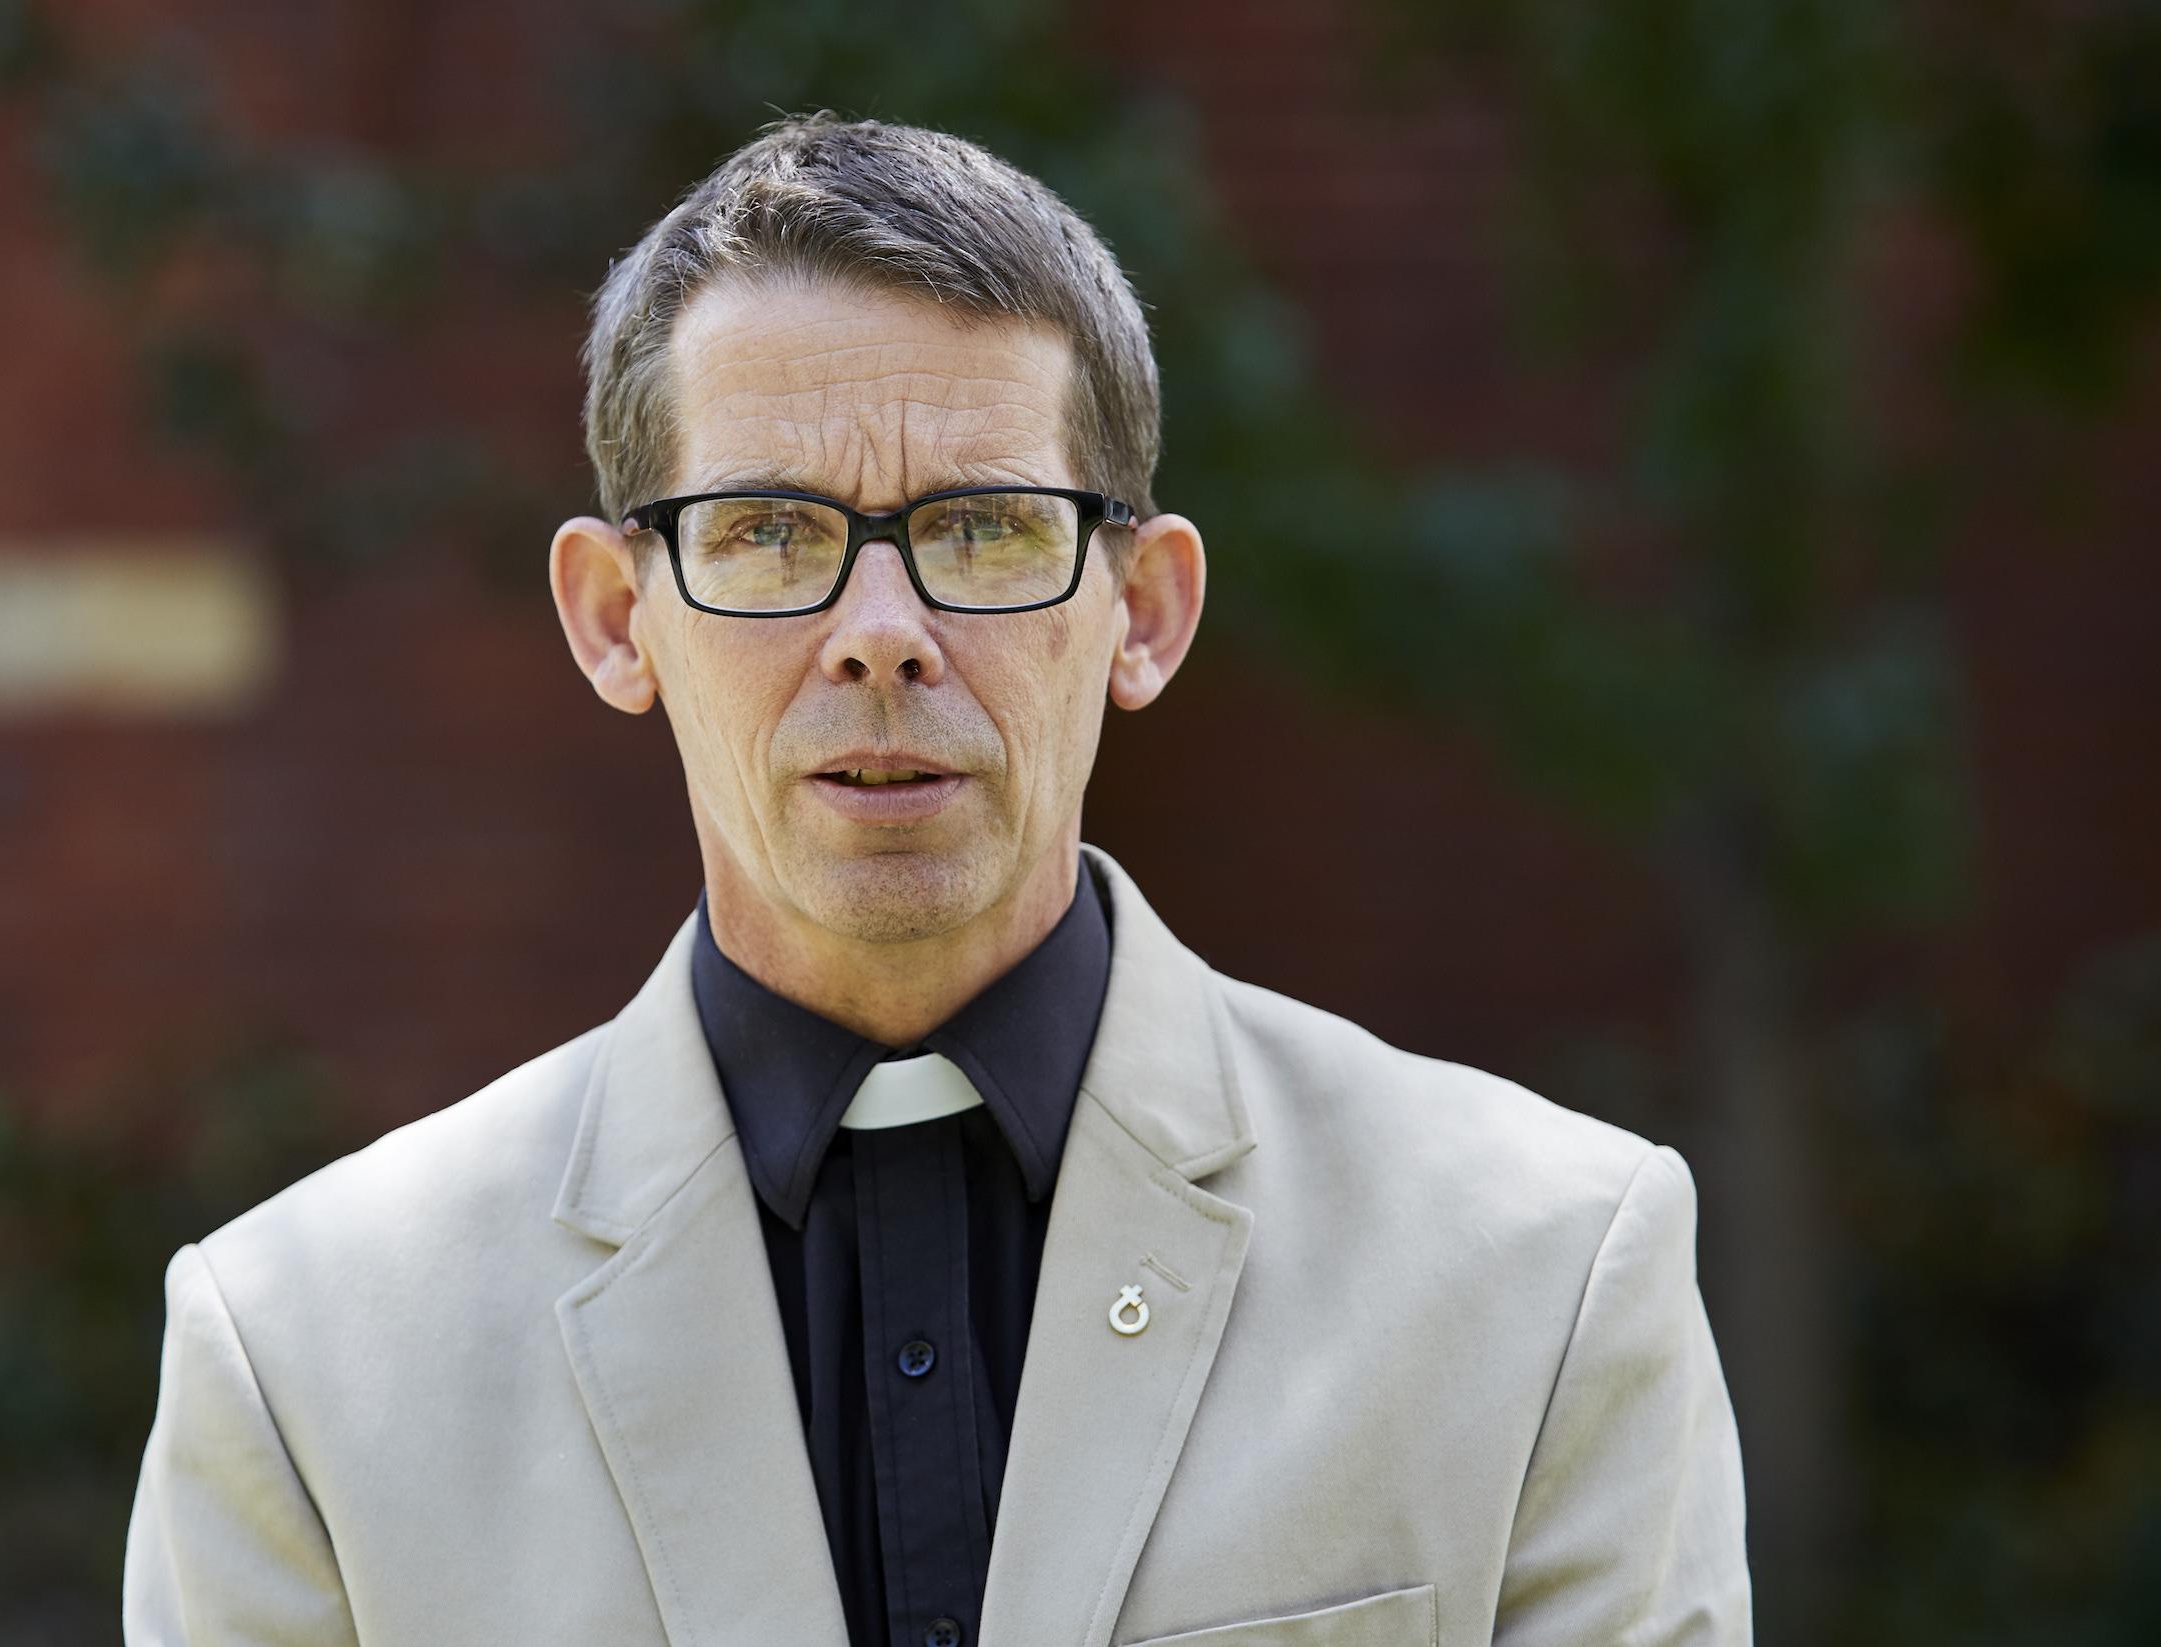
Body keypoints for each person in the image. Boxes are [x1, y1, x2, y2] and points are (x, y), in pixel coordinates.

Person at [124, 116, 1749, 1647]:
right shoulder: (303, 1366)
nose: (881, 631)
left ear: (1147, 610)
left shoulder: (1541, 1275)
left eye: (981, 529)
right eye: (766, 531)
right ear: (619, 617)